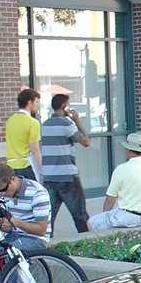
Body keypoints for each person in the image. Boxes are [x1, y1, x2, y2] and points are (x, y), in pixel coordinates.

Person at [87, 133, 141, 230]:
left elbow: (110, 199)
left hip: (130, 217)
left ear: (129, 150)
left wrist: (105, 214)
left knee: (92, 222)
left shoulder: (121, 169)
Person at [41, 93, 91, 234]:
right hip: (67, 177)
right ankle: (87, 242)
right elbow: (86, 142)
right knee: (80, 215)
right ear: (64, 106)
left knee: (49, 217)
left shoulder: (45, 125)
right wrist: (77, 120)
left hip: (49, 177)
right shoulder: (67, 124)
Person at [0, 163, 50, 251]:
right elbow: (10, 228)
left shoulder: (37, 193)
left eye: (4, 189)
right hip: (14, 235)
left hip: (36, 239)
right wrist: (2, 225)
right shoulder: (5, 195)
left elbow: (41, 230)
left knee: (4, 253)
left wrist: (16, 222)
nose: (2, 194)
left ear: (13, 179)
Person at [6, 88, 43, 182]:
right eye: (37, 102)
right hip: (26, 166)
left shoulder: (10, 121)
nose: (38, 105)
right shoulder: (33, 122)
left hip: (11, 166)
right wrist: (42, 170)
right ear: (29, 103)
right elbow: (34, 150)